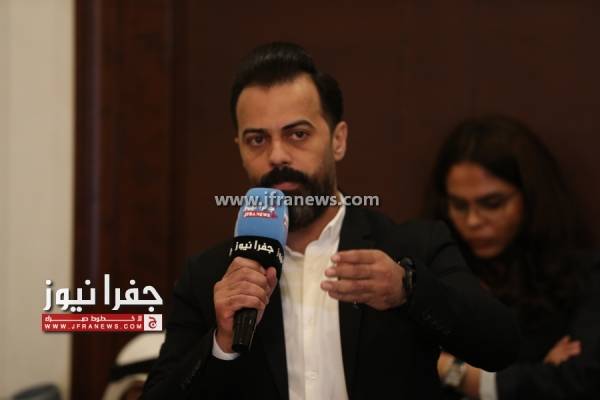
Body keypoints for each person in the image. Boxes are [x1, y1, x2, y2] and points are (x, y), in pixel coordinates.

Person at [141, 43, 519, 400]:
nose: (277, 155)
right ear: (239, 149)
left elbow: (500, 345)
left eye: (298, 134)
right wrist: (221, 343)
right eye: (257, 139)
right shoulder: (210, 276)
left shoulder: (410, 249)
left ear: (338, 140)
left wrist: (409, 290)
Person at [426, 116, 600, 400]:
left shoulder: (582, 276)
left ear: (530, 197)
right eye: (458, 205)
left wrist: (450, 370)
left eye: (492, 203)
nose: (473, 221)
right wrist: (534, 375)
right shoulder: (435, 271)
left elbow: (575, 382)